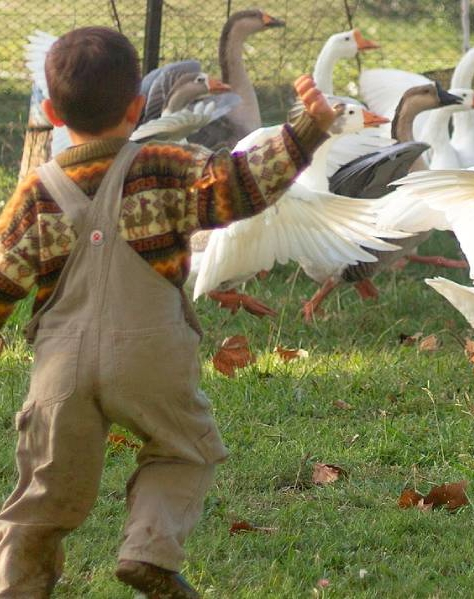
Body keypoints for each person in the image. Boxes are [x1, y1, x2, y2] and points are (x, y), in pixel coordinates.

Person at [0, 26, 338, 598]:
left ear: (53, 113)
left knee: (42, 495)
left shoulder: (36, 192)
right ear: (137, 107)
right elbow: (240, 185)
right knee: (186, 450)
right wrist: (305, 130)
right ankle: (148, 550)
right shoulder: (166, 165)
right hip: (152, 354)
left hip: (61, 368)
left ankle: (17, 587)